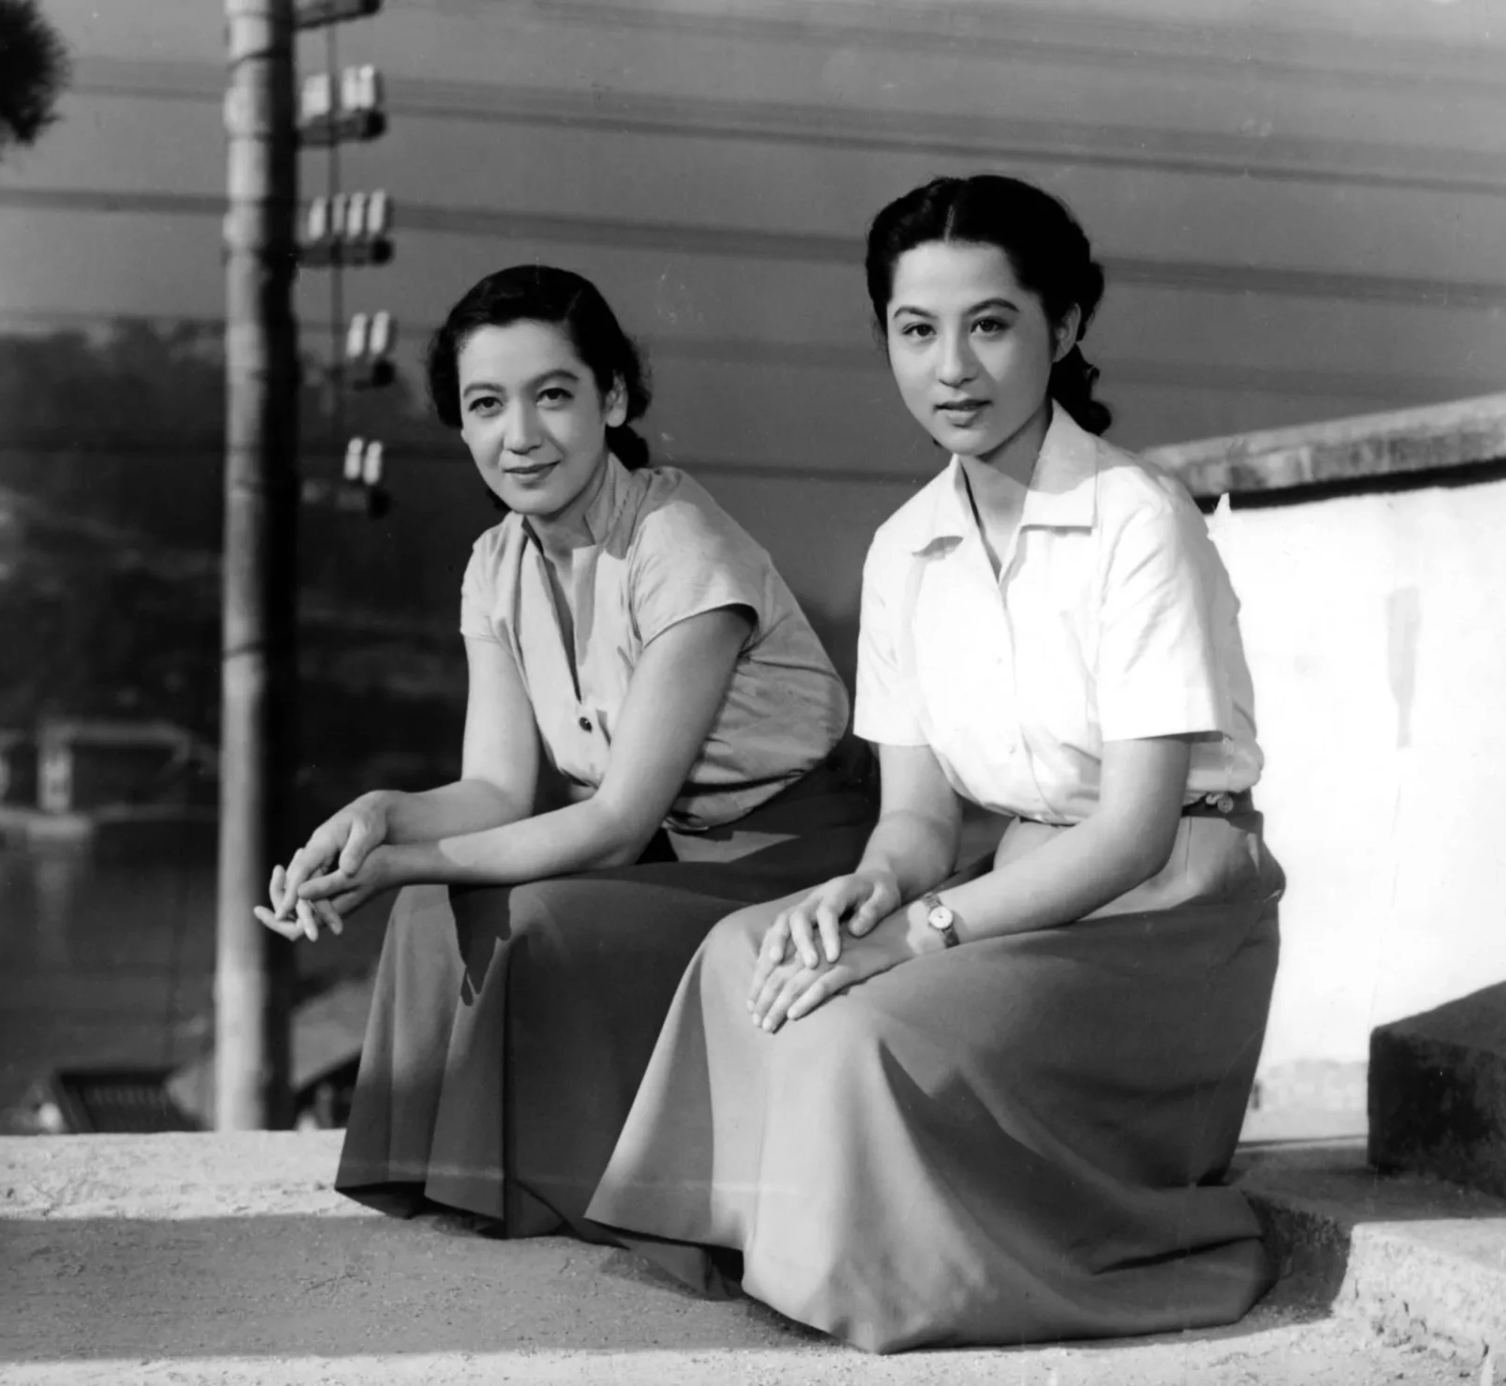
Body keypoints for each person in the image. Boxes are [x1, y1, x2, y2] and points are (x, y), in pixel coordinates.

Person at [588, 175, 1283, 1351]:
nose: (951, 366)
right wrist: (872, 890)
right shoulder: (903, 547)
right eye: (916, 331)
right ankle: (764, 1243)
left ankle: (897, 1277)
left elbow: (1133, 836)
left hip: (1165, 921)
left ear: (1062, 330)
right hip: (1019, 886)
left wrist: (926, 933)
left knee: (866, 1024)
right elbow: (916, 819)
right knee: (740, 954)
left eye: (990, 324)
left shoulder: (1137, 518)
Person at [255, 264, 872, 1241]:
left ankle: (553, 1194)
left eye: (553, 395)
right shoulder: (494, 564)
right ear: (459, 424)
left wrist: (398, 863)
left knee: (533, 921)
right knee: (427, 913)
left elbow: (618, 826)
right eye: (486, 404)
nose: (520, 436)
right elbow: (498, 788)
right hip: (674, 853)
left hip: (795, 856)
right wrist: (379, 820)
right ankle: (449, 1185)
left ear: (612, 398)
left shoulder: (681, 548)